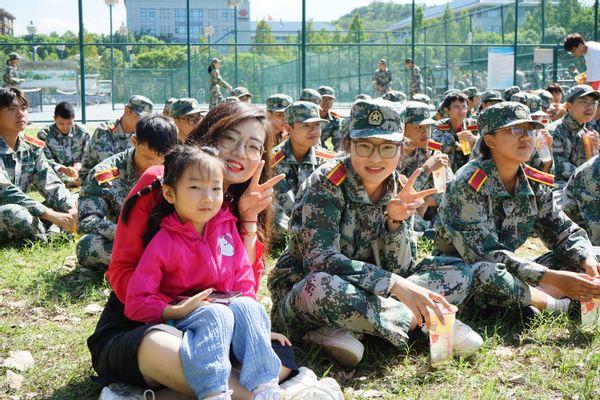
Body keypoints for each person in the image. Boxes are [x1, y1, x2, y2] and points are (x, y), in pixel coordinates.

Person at [89, 102, 342, 400]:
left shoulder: (245, 199)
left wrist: (247, 219)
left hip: (222, 323)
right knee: (162, 350)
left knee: (278, 356)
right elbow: (122, 270)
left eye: (253, 147)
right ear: (209, 137)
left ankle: (162, 395)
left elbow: (244, 285)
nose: (240, 153)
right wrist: (177, 313)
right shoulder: (161, 182)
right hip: (147, 323)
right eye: (230, 139)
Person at [268, 98, 482, 369]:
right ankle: (421, 321)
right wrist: (396, 285)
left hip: (370, 290)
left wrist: (395, 222)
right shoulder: (325, 183)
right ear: (349, 144)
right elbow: (320, 261)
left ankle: (351, 328)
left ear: (401, 149)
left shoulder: (399, 187)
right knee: (320, 287)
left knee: (458, 272)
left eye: (387, 147)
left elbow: (401, 268)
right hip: (309, 292)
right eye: (365, 146)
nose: (376, 158)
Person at [124, 146, 282, 400]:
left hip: (226, 309)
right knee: (216, 313)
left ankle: (266, 388)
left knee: (250, 307)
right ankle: (214, 392)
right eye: (195, 187)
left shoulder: (226, 227)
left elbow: (243, 277)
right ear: (170, 194)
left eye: (216, 188)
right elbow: (136, 301)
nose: (207, 198)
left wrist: (255, 329)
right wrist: (174, 311)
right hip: (187, 317)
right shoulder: (164, 242)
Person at [435, 102, 600, 315]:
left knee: (593, 254)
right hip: (464, 270)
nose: (525, 137)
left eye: (529, 130)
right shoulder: (469, 183)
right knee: (488, 274)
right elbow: (485, 254)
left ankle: (533, 299)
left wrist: (587, 260)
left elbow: (563, 231)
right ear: (490, 140)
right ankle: (559, 305)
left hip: (511, 267)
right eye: (515, 130)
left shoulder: (533, 181)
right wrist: (553, 278)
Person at [76, 115, 178, 269]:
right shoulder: (106, 174)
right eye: (148, 158)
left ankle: (154, 264)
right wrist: (125, 233)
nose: (154, 165)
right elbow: (87, 221)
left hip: (167, 239)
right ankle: (155, 265)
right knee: (87, 245)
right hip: (126, 242)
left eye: (162, 160)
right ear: (134, 141)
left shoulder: (179, 169)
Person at [0, 87, 77, 243]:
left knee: (76, 200)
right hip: (9, 211)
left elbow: (51, 184)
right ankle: (51, 233)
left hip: (25, 208)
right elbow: (6, 191)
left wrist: (72, 208)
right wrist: (50, 214)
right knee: (16, 213)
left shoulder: (31, 148)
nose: (20, 114)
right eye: (12, 109)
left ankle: (50, 231)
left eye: (23, 108)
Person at [271, 101, 335, 244]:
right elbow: (281, 205)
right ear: (289, 128)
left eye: (317, 125)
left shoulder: (329, 161)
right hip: (286, 224)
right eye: (305, 125)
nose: (313, 130)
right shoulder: (272, 161)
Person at [399, 101, 453, 235]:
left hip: (428, 215)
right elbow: (398, 198)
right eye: (418, 127)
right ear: (402, 128)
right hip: (400, 217)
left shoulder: (432, 152)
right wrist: (426, 169)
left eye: (428, 126)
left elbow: (451, 190)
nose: (425, 132)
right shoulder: (391, 154)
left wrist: (428, 201)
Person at [80, 95, 153, 181]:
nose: (142, 123)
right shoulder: (105, 131)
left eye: (145, 119)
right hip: (96, 179)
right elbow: (108, 168)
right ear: (126, 111)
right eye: (139, 118)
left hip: (123, 178)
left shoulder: (139, 135)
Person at [550, 84, 600, 186]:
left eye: (593, 102)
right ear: (569, 106)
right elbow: (559, 169)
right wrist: (591, 175)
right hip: (561, 188)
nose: (590, 107)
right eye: (583, 102)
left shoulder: (586, 130)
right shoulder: (555, 131)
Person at [36, 101, 90, 188]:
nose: (65, 127)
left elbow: (89, 158)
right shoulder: (44, 135)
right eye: (61, 124)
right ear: (54, 119)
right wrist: (63, 169)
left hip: (80, 171)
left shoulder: (83, 133)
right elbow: (44, 161)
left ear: (73, 119)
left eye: (69, 123)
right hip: (56, 173)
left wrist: (79, 165)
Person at [432, 91, 479, 172]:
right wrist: (458, 146)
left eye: (464, 106)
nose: (461, 110)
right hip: (447, 169)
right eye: (457, 107)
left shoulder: (474, 125)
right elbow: (432, 145)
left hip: (470, 170)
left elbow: (486, 143)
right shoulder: (439, 126)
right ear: (447, 110)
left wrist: (474, 140)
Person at [317, 86, 343, 151]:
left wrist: (337, 154)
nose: (326, 101)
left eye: (330, 99)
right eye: (323, 98)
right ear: (317, 100)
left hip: (321, 150)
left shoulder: (335, 120)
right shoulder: (309, 117)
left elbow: (338, 140)